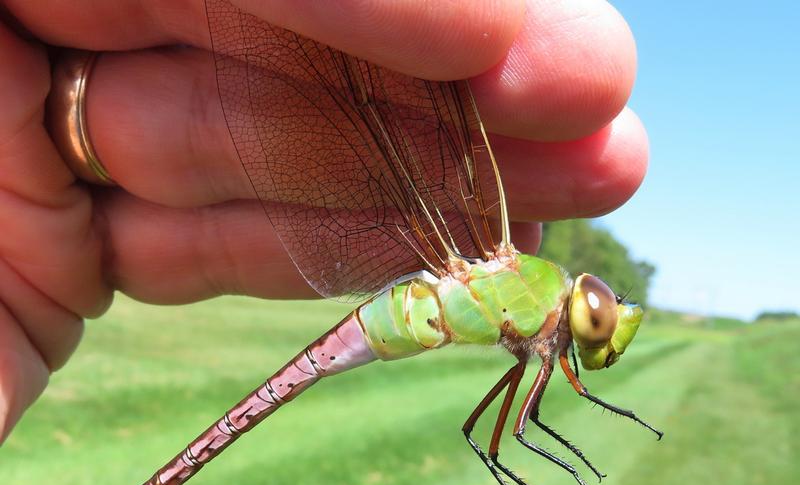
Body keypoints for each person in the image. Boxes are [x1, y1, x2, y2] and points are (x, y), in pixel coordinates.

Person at [0, 0, 648, 444]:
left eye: (599, 319)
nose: (595, 323)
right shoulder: (525, 297)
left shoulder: (541, 334)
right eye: (597, 315)